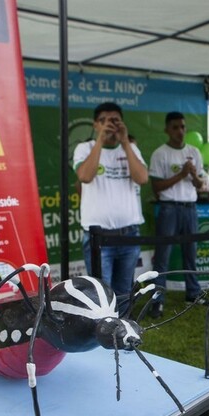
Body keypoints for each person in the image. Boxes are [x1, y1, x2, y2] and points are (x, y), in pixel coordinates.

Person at [74, 102, 148, 314]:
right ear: (95, 125)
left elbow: (142, 178)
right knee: (101, 294)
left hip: (129, 235)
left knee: (124, 291)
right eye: (104, 121)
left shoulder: (131, 148)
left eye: (115, 120)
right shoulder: (85, 148)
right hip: (99, 238)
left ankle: (122, 329)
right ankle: (103, 331)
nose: (110, 124)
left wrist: (125, 143)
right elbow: (85, 176)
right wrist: (100, 141)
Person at [148, 112, 206, 318]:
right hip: (169, 208)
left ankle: (193, 293)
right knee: (162, 256)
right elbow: (156, 186)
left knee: (191, 254)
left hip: (190, 207)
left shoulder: (194, 152)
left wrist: (193, 175)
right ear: (167, 130)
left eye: (182, 127)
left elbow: (200, 185)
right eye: (175, 127)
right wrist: (181, 174)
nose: (180, 131)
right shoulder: (160, 154)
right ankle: (157, 300)